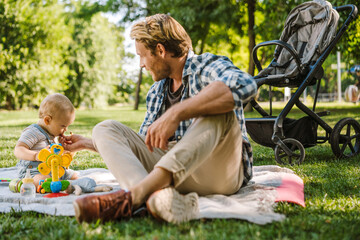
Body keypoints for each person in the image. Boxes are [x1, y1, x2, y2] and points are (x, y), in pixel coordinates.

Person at [60, 14, 257, 224]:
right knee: (104, 128)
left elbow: (246, 85)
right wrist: (91, 144)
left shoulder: (206, 65)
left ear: (161, 50)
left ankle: (134, 197)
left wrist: (178, 112)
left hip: (219, 172)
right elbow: (145, 146)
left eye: (142, 56)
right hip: (171, 176)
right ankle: (154, 198)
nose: (140, 64)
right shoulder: (156, 91)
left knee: (220, 110)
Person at [14, 93, 78, 188]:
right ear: (47, 120)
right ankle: (47, 185)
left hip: (54, 170)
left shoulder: (51, 134)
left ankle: (66, 185)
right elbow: (18, 150)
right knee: (42, 180)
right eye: (63, 126)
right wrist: (36, 155)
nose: (66, 130)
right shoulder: (33, 132)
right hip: (34, 172)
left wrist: (66, 149)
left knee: (75, 176)